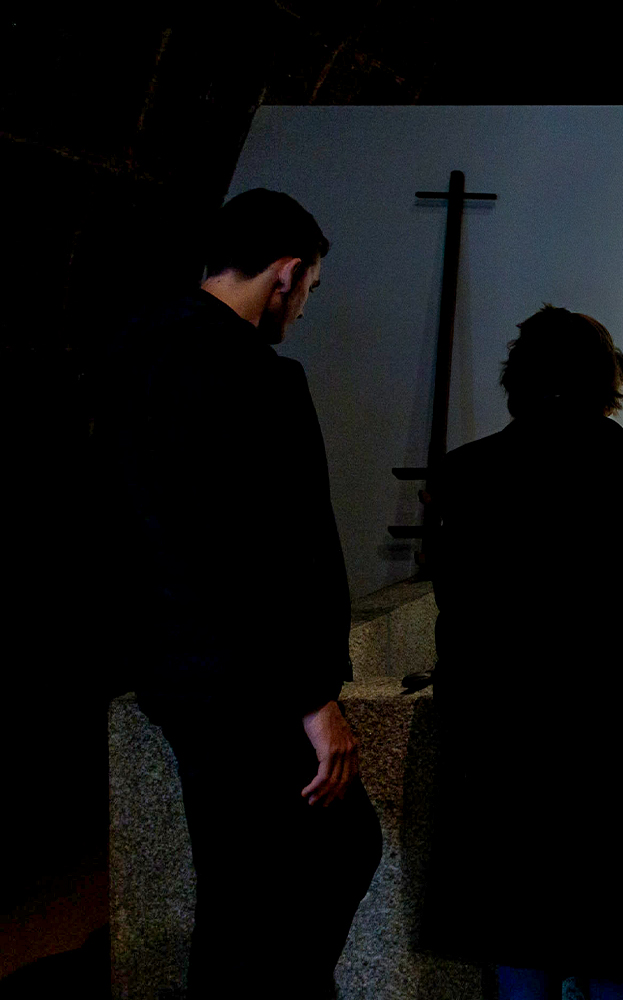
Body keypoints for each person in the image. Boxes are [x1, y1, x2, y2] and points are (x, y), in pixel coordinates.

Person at [92, 189, 381, 999]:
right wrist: (316, 697)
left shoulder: (128, 356)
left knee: (239, 885)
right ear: (286, 273)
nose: (303, 309)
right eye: (311, 289)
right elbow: (272, 552)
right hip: (251, 680)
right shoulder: (255, 377)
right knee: (327, 857)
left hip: (171, 668)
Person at [425, 305, 623, 1000]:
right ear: (605, 380)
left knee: (518, 948)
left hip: (508, 756)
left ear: (515, 380)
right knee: (617, 956)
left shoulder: (467, 472)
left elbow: (459, 616)